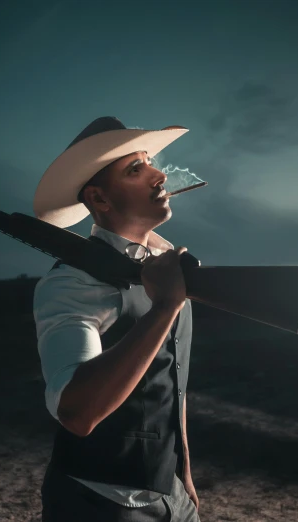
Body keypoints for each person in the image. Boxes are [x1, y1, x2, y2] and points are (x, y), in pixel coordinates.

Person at [32, 116, 200, 521]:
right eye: (135, 170)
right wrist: (164, 308)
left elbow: (171, 385)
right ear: (100, 199)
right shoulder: (72, 284)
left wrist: (184, 475)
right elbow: (77, 412)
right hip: (102, 503)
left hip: (171, 496)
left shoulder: (167, 269)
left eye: (150, 163)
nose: (160, 175)